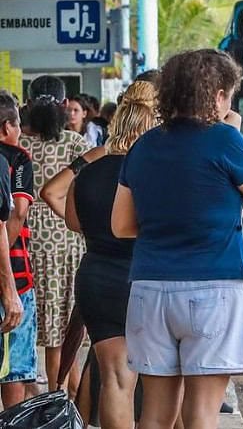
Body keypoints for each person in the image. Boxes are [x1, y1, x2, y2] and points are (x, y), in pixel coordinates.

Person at [112, 49, 243, 429]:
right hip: (213, 289)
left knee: (154, 415)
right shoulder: (225, 140)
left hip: (150, 289)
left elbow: (121, 225)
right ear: (218, 95)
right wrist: (235, 134)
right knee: (201, 415)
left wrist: (167, 224)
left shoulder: (144, 145)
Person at [42, 81, 157, 428]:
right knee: (159, 383)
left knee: (115, 379)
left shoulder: (88, 170)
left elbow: (75, 223)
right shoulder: (153, 171)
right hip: (145, 278)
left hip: (97, 278)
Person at [20, 75, 90, 394]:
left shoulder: (17, 145)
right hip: (70, 245)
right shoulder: (78, 146)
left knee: (33, 331)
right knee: (65, 333)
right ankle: (63, 399)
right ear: (64, 106)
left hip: (24, 245)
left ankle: (42, 396)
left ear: (28, 106)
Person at [0, 92, 36, 407]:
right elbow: (19, 210)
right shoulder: (18, 158)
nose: (20, 131)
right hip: (16, 274)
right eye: (17, 124)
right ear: (5, 127)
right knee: (15, 369)